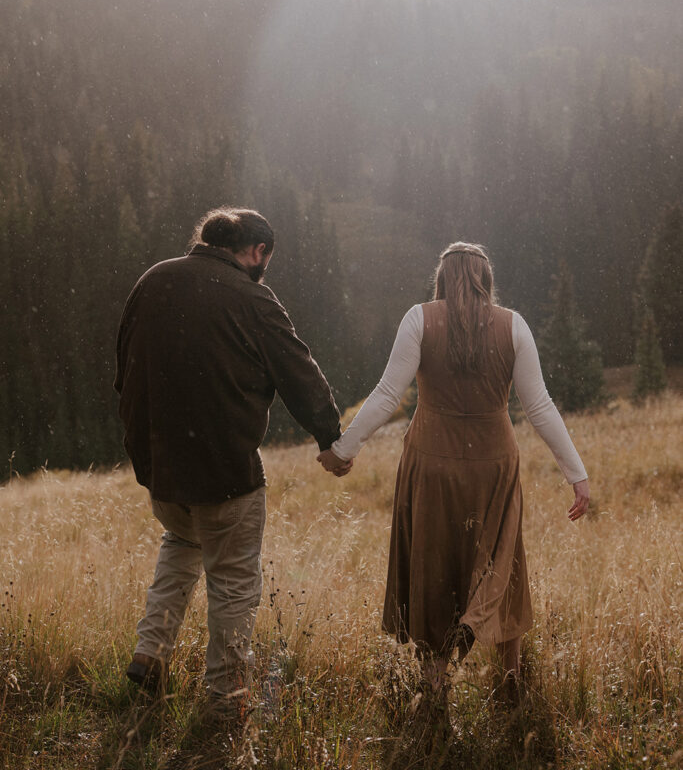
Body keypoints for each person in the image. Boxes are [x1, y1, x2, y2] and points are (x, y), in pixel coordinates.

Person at [318, 242, 589, 697]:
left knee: (432, 563)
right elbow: (538, 406)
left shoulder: (419, 319)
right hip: (493, 463)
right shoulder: (513, 325)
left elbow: (388, 393)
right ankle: (509, 681)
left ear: (442, 277)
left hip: (431, 460)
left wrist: (345, 448)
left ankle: (435, 685)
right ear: (486, 278)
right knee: (502, 561)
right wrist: (576, 474)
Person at [115, 206, 351, 719]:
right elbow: (299, 373)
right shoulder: (252, 297)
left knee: (181, 542)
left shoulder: (153, 280)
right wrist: (331, 439)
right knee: (233, 582)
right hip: (225, 471)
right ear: (257, 251)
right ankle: (225, 698)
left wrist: (143, 444)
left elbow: (124, 364)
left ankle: (150, 652)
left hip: (161, 469)